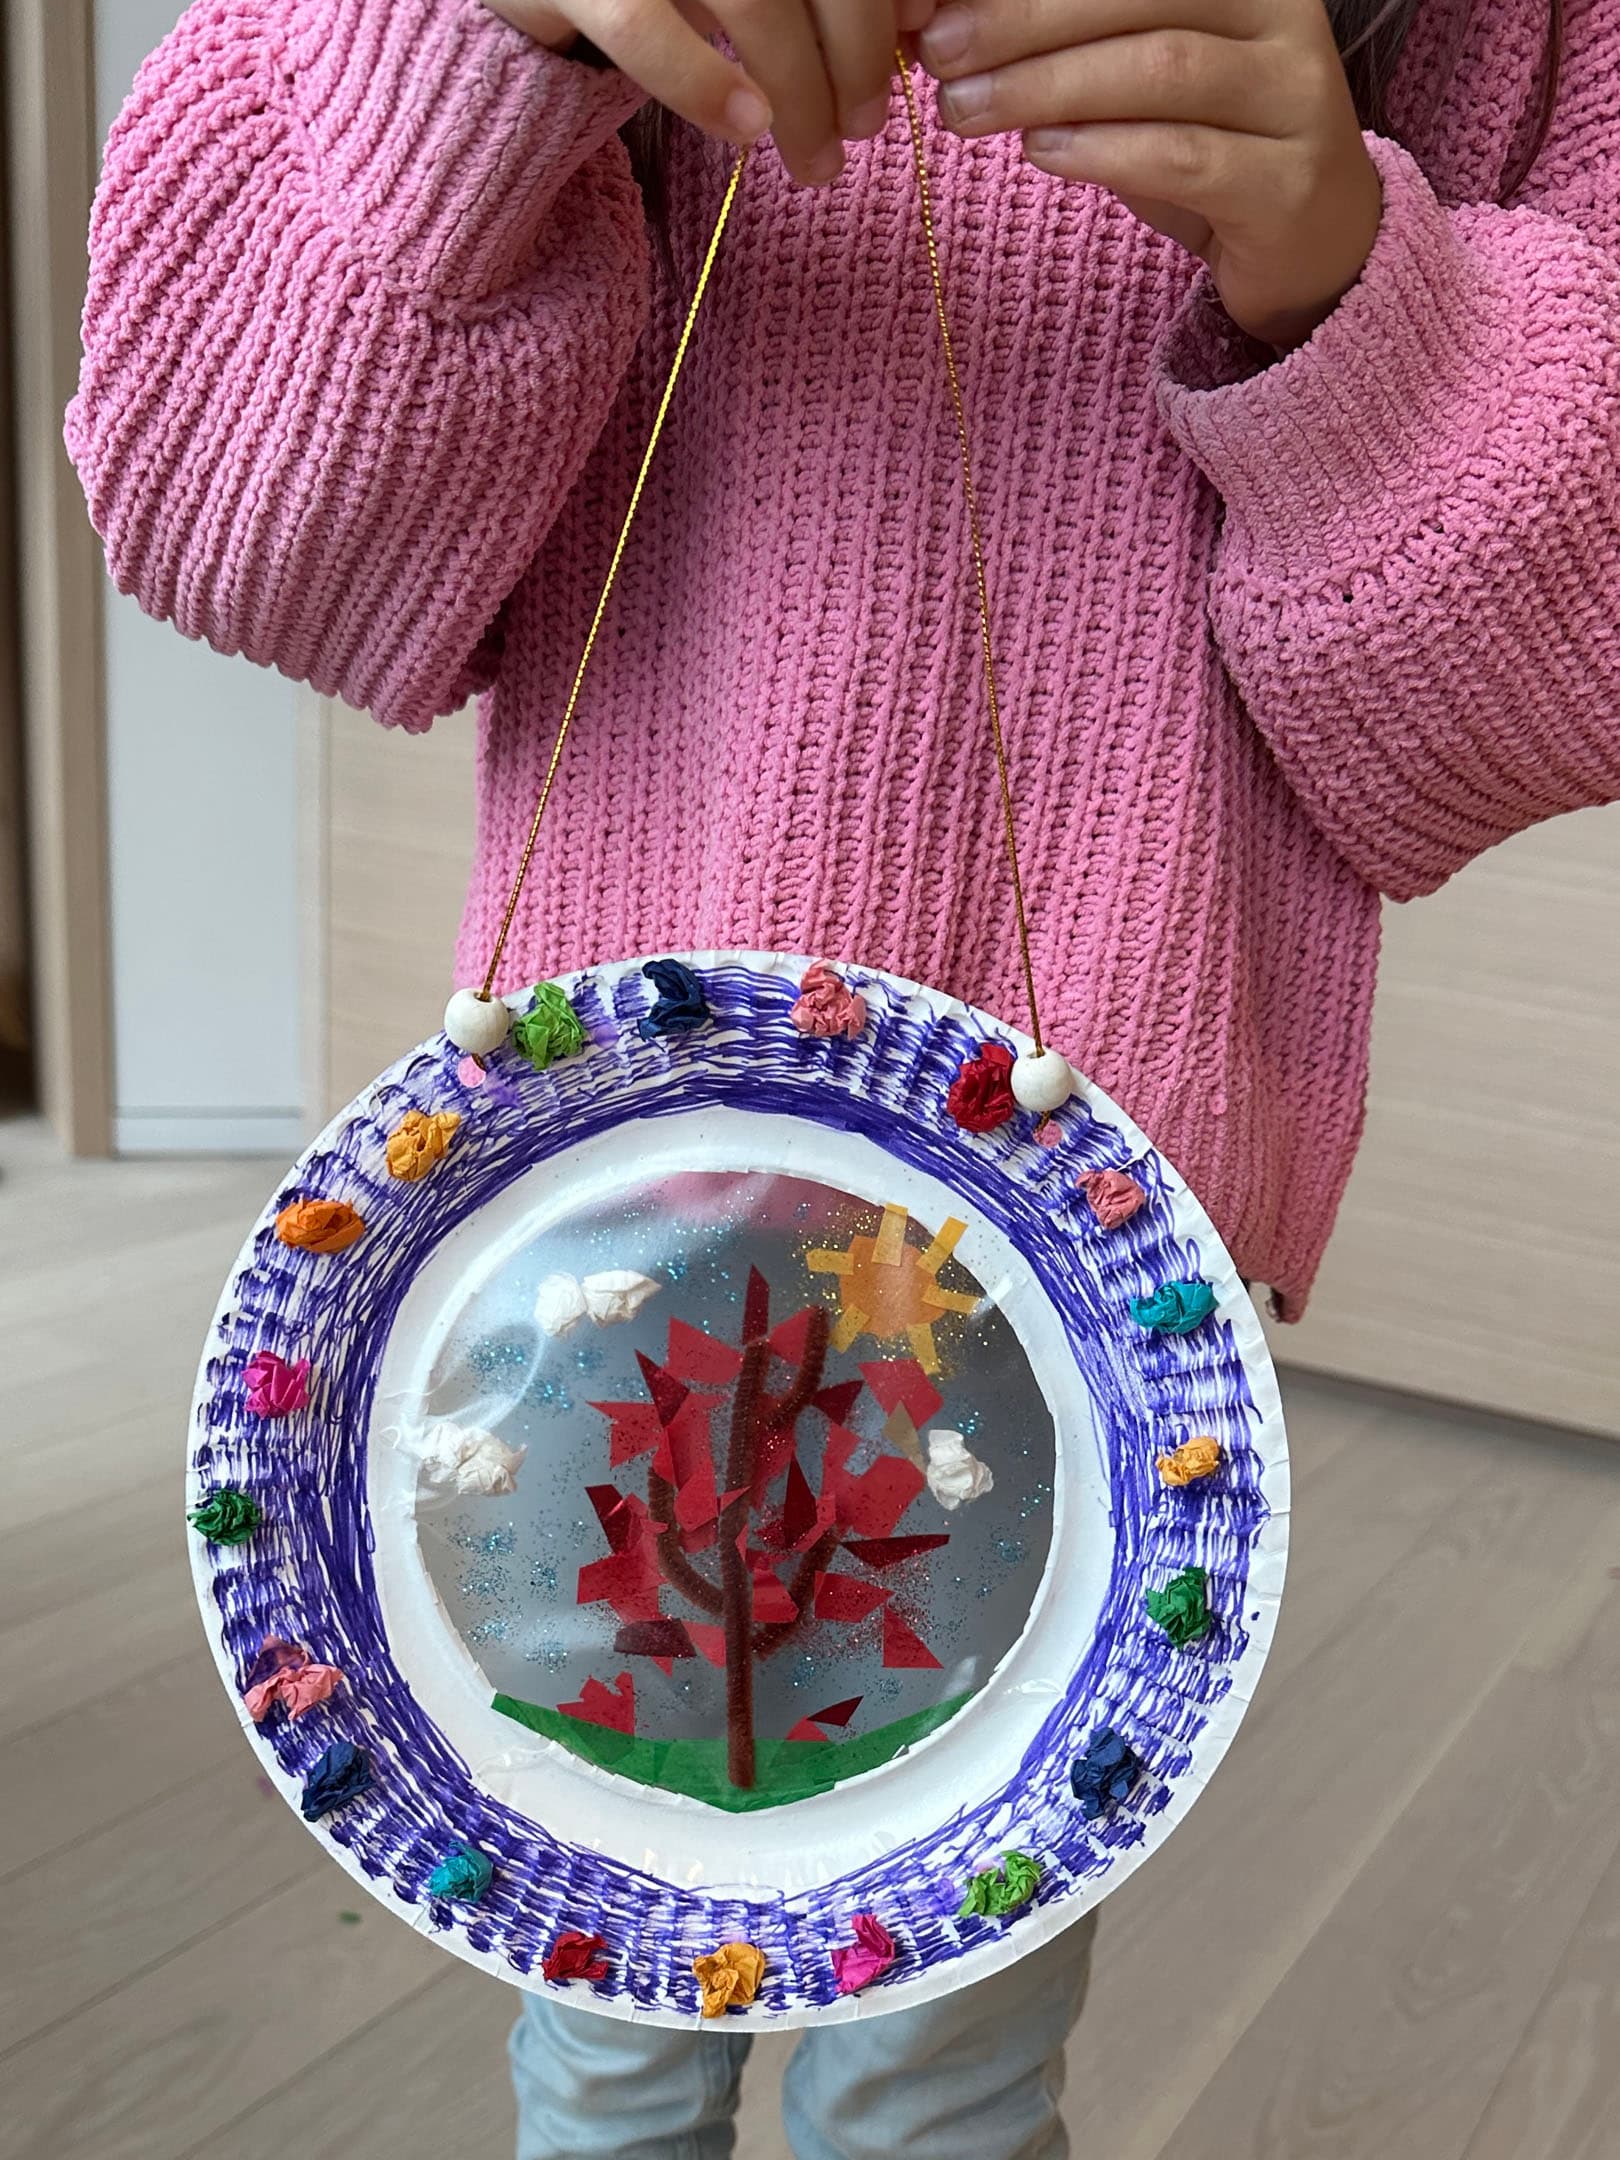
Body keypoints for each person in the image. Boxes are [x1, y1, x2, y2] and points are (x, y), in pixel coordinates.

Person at [69, 0, 1620, 2153]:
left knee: (936, 2025)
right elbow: (237, 511)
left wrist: (1359, 286)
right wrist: (479, 59)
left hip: (1077, 1241)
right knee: (613, 1982)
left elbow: (1536, 682)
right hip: (605, 1193)